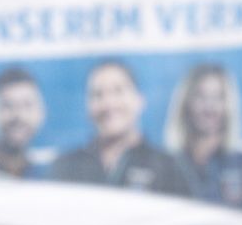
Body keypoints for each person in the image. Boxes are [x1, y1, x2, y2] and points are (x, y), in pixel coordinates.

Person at [50, 59, 191, 196]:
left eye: (118, 91)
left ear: (139, 100)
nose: (109, 103)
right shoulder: (66, 168)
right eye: (98, 95)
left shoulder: (168, 167)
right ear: (88, 106)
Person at [168, 62, 242, 217]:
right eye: (200, 96)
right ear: (186, 103)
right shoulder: (166, 167)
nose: (209, 107)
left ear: (228, 105)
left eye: (218, 97)